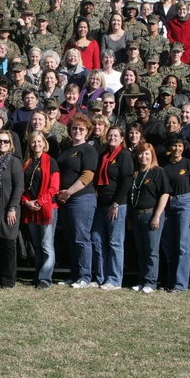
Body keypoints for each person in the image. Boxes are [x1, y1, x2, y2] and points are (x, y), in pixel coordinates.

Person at [55, 114, 100, 289]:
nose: (77, 131)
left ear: (87, 131)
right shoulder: (65, 149)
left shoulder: (88, 150)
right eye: (74, 128)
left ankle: (84, 276)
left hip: (81, 199)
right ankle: (74, 275)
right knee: (70, 238)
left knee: (82, 238)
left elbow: (88, 175)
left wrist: (69, 192)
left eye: (81, 128)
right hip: (65, 200)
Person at [91, 127, 133, 290]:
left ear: (122, 138)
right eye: (110, 135)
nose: (112, 138)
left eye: (116, 135)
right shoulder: (104, 155)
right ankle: (101, 277)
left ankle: (115, 279)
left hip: (117, 205)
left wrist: (116, 203)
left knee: (115, 242)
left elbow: (126, 181)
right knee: (97, 239)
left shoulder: (124, 156)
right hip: (101, 203)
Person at [159, 137, 190, 292]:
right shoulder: (164, 165)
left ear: (183, 148)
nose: (176, 148)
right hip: (167, 205)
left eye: (179, 146)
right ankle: (169, 281)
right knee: (168, 245)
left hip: (185, 204)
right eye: (174, 145)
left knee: (183, 246)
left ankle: (180, 284)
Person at [128, 142, 170, 294]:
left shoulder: (158, 172)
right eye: (140, 153)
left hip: (151, 214)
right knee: (141, 251)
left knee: (152, 251)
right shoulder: (136, 173)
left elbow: (165, 194)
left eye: (147, 153)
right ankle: (142, 280)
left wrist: (157, 215)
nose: (143, 156)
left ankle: (151, 282)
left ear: (152, 155)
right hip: (136, 215)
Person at [21, 132, 60, 289]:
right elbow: (22, 187)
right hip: (31, 208)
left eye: (39, 142)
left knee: (46, 245)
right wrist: (26, 202)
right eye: (33, 142)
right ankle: (38, 276)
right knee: (37, 245)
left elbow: (54, 187)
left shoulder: (51, 162)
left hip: (47, 208)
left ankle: (45, 278)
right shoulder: (27, 163)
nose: (36, 144)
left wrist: (40, 202)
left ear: (44, 143)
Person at [0, 129, 24, 288]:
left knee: (8, 244)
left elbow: (19, 187)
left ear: (11, 144)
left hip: (9, 208)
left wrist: (13, 208)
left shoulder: (14, 162)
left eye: (6, 141)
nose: (2, 144)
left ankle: (8, 280)